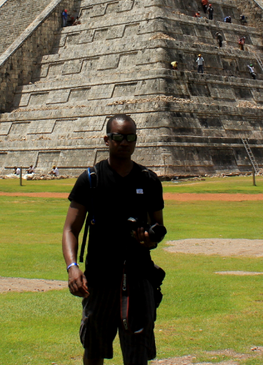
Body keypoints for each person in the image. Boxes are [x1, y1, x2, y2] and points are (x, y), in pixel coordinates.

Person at [62, 114, 166, 364]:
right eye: (118, 137)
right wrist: (72, 267)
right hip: (99, 278)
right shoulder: (91, 179)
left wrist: (149, 239)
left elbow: (158, 226)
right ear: (107, 139)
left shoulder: (148, 180)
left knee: (138, 352)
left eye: (130, 137)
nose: (125, 143)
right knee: (94, 349)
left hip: (138, 277)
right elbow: (70, 229)